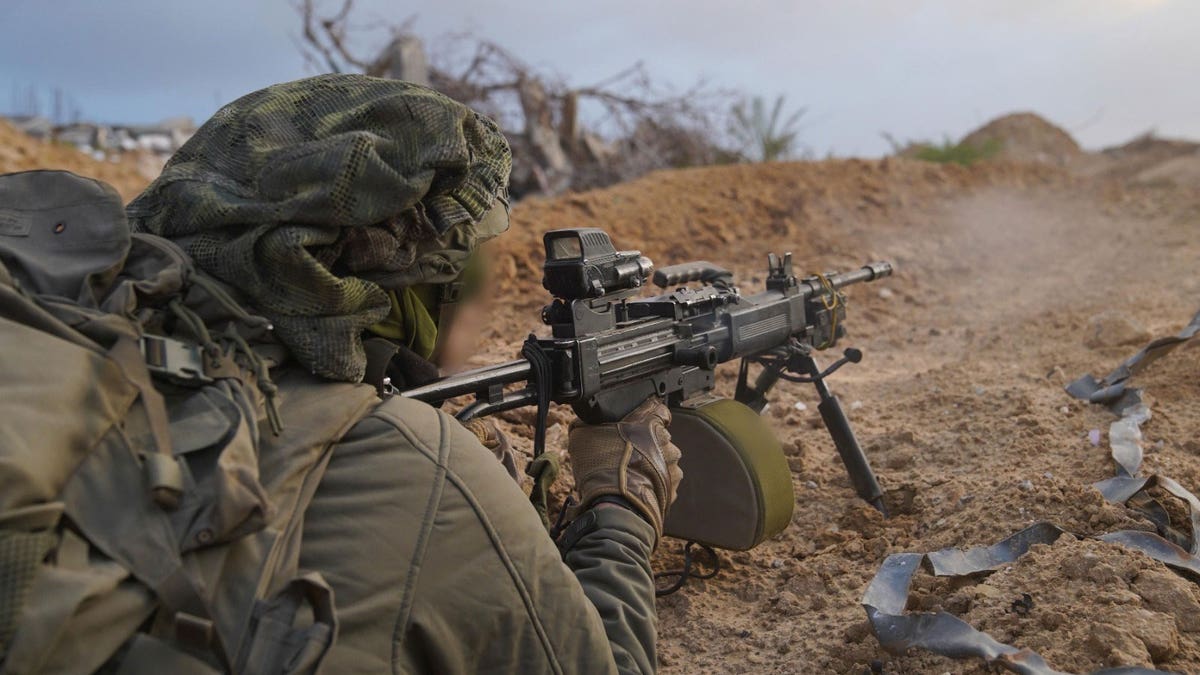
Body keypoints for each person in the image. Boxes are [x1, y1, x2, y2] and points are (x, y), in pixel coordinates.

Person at [127, 74, 683, 674]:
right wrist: (620, 509)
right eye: (460, 276)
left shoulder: (115, 345)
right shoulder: (418, 466)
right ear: (394, 284)